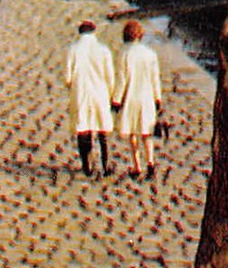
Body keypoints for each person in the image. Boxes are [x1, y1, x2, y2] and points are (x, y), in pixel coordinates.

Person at [112, 19, 162, 182]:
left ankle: (137, 166)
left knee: (132, 132)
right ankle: (150, 163)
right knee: (146, 132)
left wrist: (116, 100)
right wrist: (158, 98)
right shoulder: (150, 54)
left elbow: (122, 79)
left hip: (131, 97)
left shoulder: (123, 53)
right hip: (147, 97)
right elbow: (155, 79)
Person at [64, 21, 115, 178]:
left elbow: (67, 77)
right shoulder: (104, 50)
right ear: (94, 33)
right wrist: (111, 94)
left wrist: (72, 87)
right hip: (100, 92)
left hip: (81, 91)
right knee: (102, 129)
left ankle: (87, 164)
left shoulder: (73, 50)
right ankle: (106, 162)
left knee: (83, 128)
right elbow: (110, 77)